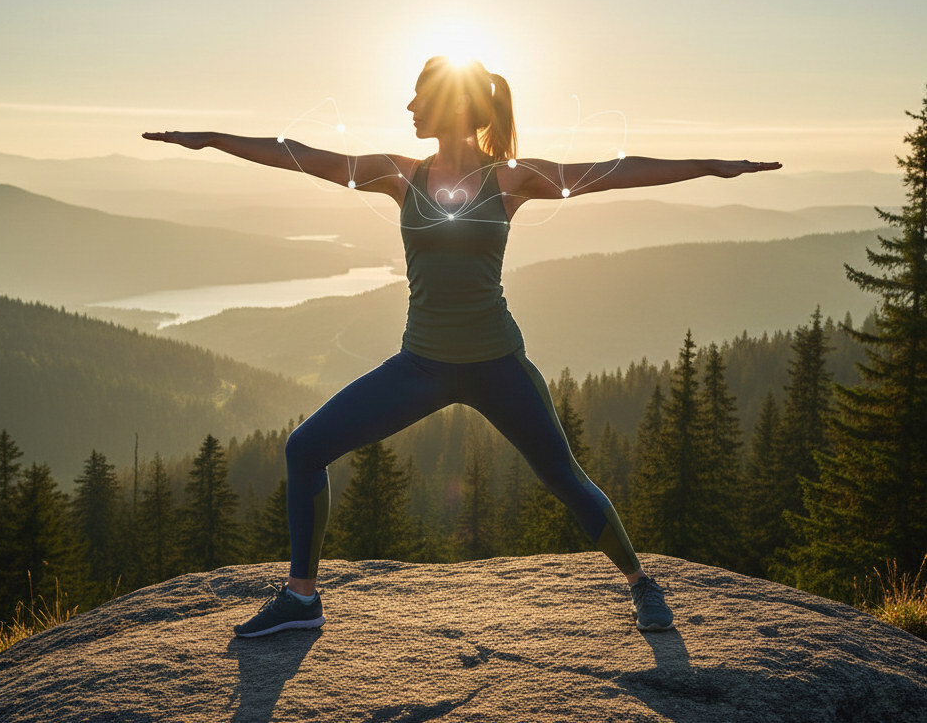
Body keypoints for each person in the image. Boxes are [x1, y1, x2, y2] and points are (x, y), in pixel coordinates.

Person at [143, 56, 781, 635]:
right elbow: (296, 154)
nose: (409, 107)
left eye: (418, 95)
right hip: (420, 366)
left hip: (497, 366)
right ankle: (302, 599)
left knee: (564, 477)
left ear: (448, 107)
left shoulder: (511, 180)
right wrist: (208, 140)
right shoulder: (399, 173)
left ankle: (641, 584)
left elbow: (615, 172)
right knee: (305, 447)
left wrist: (712, 167)